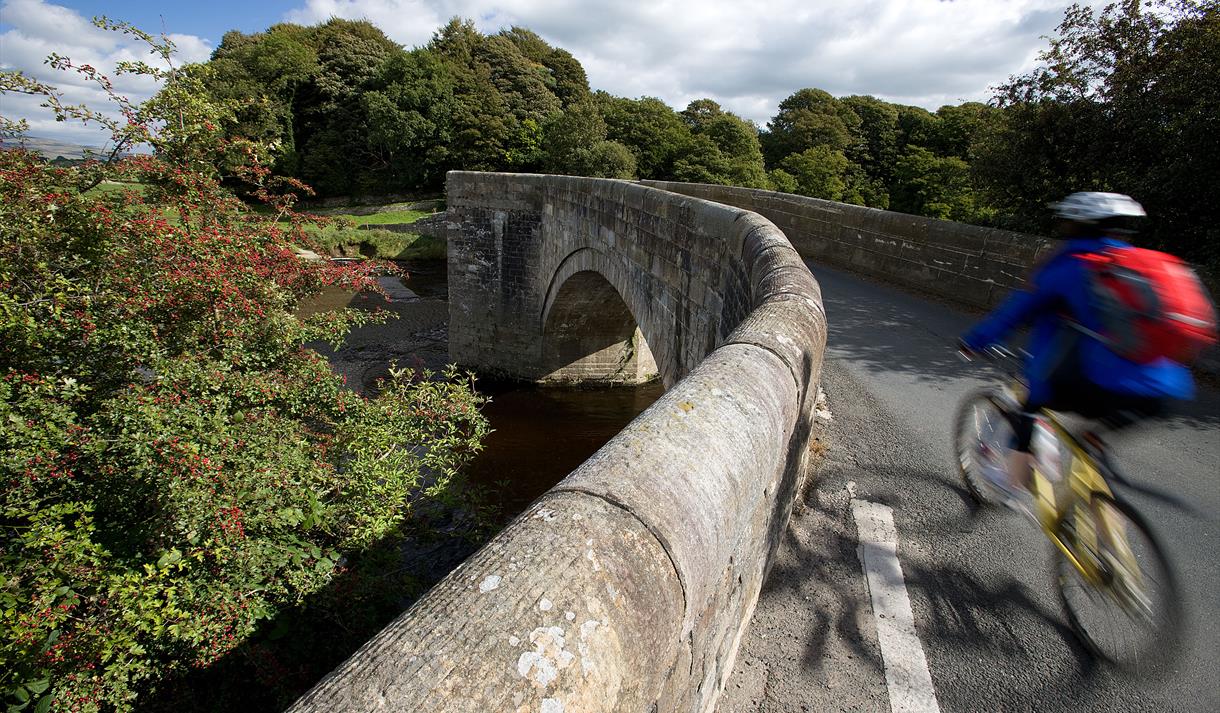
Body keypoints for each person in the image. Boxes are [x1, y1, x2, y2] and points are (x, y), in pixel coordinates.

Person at [958, 192, 1195, 505]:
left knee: (1031, 404)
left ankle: (1010, 484)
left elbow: (1015, 312)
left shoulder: (1069, 267)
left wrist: (975, 342)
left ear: (1078, 226)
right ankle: (1106, 541)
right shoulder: (1146, 268)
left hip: (1093, 383)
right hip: (1163, 390)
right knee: (1089, 449)